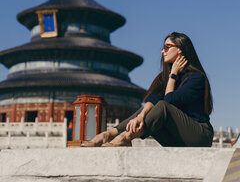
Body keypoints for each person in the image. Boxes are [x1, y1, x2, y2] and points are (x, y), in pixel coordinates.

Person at [82, 32, 214, 147]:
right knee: (147, 109)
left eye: (167, 47)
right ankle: (108, 134)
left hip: (199, 136)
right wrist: (140, 117)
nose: (163, 51)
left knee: (163, 106)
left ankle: (126, 138)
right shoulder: (164, 77)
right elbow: (153, 98)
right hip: (176, 137)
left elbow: (169, 101)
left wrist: (173, 75)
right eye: (163, 48)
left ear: (180, 50)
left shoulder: (196, 78)